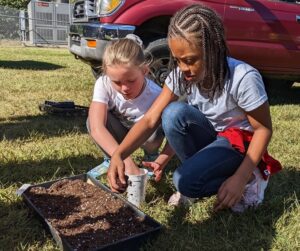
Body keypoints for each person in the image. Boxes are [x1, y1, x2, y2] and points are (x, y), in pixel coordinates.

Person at [107, 4, 282, 212]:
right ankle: (200, 175)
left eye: (190, 60)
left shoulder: (243, 77)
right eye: (177, 60)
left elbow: (263, 130)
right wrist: (118, 154)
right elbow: (149, 119)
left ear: (213, 49)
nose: (182, 68)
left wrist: (240, 176)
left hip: (239, 146)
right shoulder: (182, 76)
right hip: (214, 139)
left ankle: (249, 180)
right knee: (173, 114)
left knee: (184, 182)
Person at [87, 34, 164, 180]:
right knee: (92, 121)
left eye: (131, 80)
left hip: (145, 137)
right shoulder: (103, 84)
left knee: (158, 125)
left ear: (144, 71)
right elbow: (97, 127)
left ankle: (151, 156)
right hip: (120, 132)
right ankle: (111, 158)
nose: (124, 88)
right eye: (116, 82)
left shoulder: (156, 94)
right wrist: (124, 160)